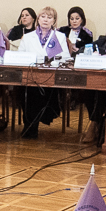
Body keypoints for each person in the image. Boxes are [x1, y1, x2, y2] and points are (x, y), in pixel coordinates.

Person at [16, 7, 67, 138]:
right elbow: (19, 56)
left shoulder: (59, 37)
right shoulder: (28, 37)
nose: (45, 20)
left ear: (54, 21)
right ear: (38, 19)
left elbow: (66, 58)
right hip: (30, 75)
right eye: (43, 17)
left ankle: (33, 125)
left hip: (50, 77)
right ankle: (30, 125)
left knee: (41, 91)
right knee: (25, 90)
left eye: (49, 17)